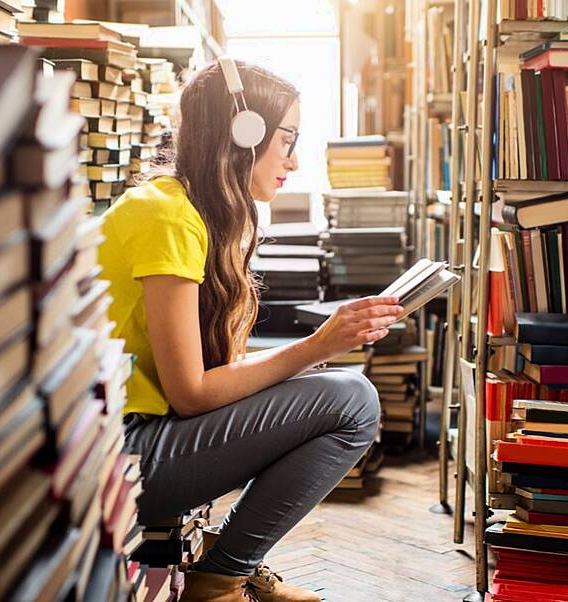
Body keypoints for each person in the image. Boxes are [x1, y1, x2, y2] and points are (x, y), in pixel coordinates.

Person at [97, 59, 404, 602]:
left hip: (135, 442)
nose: (293, 159)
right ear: (244, 134)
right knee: (353, 401)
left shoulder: (192, 211)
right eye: (287, 140)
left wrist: (313, 356)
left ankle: (227, 569)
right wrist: (316, 347)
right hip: (118, 457)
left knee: (342, 395)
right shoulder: (165, 216)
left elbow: (207, 379)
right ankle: (220, 580)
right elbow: (192, 395)